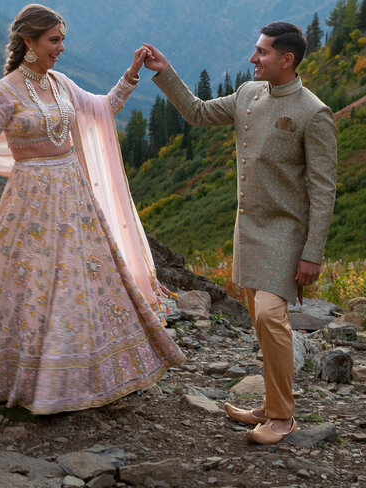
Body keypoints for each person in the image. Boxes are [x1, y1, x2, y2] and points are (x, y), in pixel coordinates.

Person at [0, 4, 184, 414]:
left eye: (62, 39)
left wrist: (133, 71)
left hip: (74, 196)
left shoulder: (61, 83)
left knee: (81, 284)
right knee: (24, 288)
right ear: (29, 42)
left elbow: (103, 107)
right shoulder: (4, 91)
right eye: (54, 40)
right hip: (29, 204)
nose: (61, 48)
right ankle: (17, 377)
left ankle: (89, 374)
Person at [142, 22, 336, 444]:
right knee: (260, 323)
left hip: (287, 232)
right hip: (248, 228)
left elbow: (323, 189)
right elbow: (196, 112)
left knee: (270, 315)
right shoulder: (248, 95)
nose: (253, 59)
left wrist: (313, 253)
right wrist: (164, 71)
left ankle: (283, 419)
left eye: (262, 52)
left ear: (287, 59)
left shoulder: (313, 112)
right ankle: (269, 405)